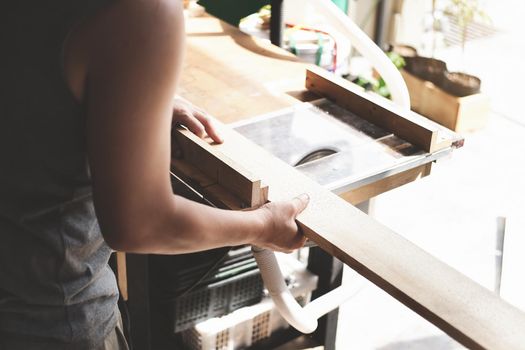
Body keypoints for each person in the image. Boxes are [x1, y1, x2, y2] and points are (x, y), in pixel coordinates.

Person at [0, 1, 309, 349]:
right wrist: (263, 227)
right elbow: (141, 224)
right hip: (50, 325)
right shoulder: (142, 11)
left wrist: (127, 94)